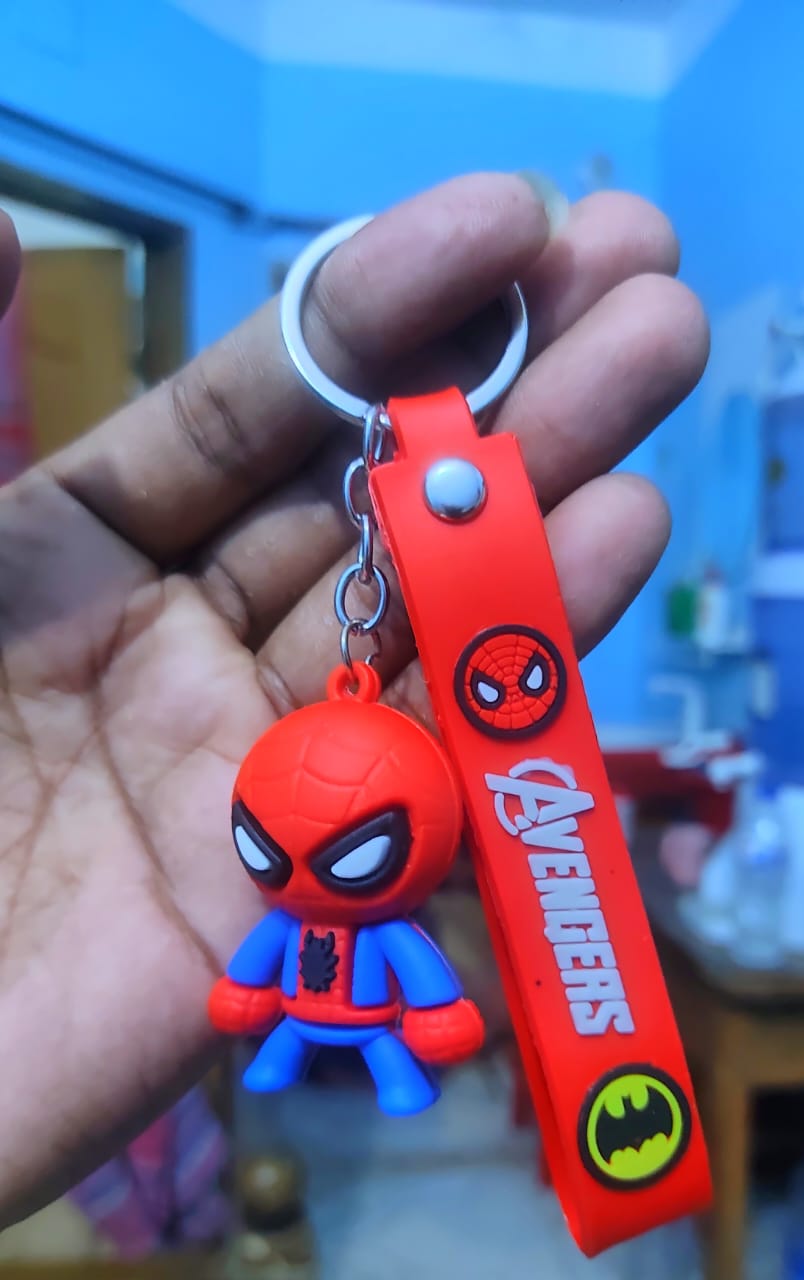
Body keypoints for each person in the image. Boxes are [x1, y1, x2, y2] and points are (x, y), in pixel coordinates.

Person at [0, 172, 707, 1228]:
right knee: (285, 1040)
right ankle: (297, 1053)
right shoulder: (290, 903)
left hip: (368, 1006)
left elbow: (414, 957)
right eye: (275, 844)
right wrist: (249, 991)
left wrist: (437, 1010)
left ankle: (376, 1068)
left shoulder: (366, 901)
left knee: (375, 1050)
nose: (300, 864)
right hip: (309, 997)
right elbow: (264, 951)